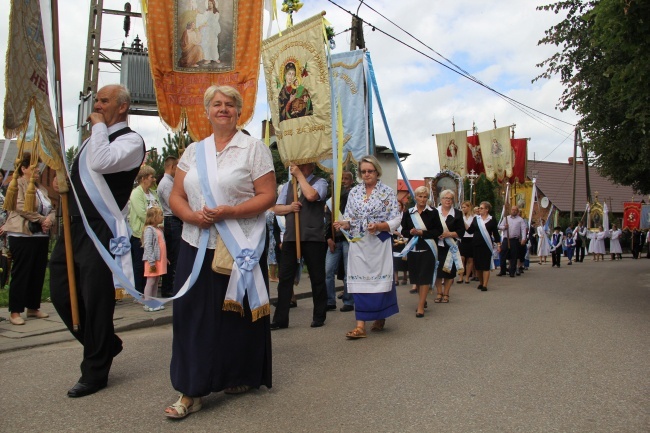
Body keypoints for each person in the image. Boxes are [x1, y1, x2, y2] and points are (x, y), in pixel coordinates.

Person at [164, 85, 275, 418]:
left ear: (238, 112)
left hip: (239, 242)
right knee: (190, 315)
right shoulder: (193, 151)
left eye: (229, 104)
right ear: (207, 111)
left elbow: (267, 195)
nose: (223, 109)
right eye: (216, 104)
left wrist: (230, 212)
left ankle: (238, 373)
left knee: (236, 314)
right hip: (195, 242)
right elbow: (176, 195)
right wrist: (190, 216)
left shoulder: (253, 148)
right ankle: (190, 390)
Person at [50, 84, 146, 398]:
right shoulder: (95, 138)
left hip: (100, 228)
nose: (97, 105)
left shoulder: (130, 140)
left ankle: (95, 370)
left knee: (94, 300)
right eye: (97, 100)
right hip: (74, 226)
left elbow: (102, 163)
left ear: (122, 107)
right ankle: (106, 345)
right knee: (62, 293)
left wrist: (99, 127)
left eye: (104, 100)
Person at [334, 155, 401, 339]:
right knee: (358, 282)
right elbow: (349, 218)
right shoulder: (354, 193)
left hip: (379, 243)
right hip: (359, 243)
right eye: (363, 171)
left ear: (377, 171)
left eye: (370, 171)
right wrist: (343, 224)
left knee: (380, 281)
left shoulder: (387, 192)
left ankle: (380, 316)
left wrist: (379, 226)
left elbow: (396, 218)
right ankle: (360, 325)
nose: (366, 174)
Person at [271, 162, 328, 329]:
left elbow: (311, 196)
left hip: (312, 237)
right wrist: (290, 207)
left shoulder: (320, 182)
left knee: (317, 277)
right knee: (285, 278)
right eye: (297, 166)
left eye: (303, 165)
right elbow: (277, 208)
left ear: (311, 166)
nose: (299, 168)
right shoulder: (289, 185)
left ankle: (319, 315)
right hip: (290, 237)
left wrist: (299, 176)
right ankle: (280, 319)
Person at [3, 154, 55, 325]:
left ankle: (33, 307)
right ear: (24, 169)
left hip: (40, 235)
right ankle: (15, 311)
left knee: (37, 271)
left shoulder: (43, 189)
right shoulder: (16, 184)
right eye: (34, 168)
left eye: (39, 168)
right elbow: (19, 206)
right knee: (22, 272)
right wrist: (41, 219)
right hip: (22, 233)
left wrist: (49, 219)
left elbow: (51, 209)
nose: (38, 171)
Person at [400, 186, 442, 317]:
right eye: (420, 196)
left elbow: (438, 231)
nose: (423, 199)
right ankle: (422, 300)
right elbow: (403, 231)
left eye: (425, 197)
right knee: (417, 277)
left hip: (428, 248)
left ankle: (420, 307)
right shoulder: (409, 213)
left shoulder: (433, 212)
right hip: (413, 248)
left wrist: (422, 232)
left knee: (424, 277)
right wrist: (411, 232)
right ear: (415, 197)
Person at [325, 170, 354, 312]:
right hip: (335, 239)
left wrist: (335, 183)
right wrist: (328, 238)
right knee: (328, 270)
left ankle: (349, 301)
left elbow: (344, 194)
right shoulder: (332, 199)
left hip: (348, 239)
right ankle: (330, 300)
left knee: (349, 271)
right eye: (341, 179)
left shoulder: (352, 195)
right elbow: (327, 219)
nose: (343, 181)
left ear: (351, 181)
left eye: (346, 179)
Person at [128, 165, 160, 294]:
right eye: (152, 177)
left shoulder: (153, 193)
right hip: (140, 235)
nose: (154, 179)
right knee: (140, 265)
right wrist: (156, 223)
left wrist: (159, 223)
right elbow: (142, 214)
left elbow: (160, 209)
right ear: (144, 178)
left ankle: (151, 292)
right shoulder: (136, 193)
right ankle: (139, 292)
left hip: (155, 234)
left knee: (153, 263)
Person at [432, 190, 464, 303]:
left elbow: (461, 231)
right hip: (437, 246)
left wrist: (449, 234)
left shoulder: (457, 213)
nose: (448, 200)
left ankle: (446, 293)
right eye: (446, 198)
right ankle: (439, 292)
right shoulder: (434, 212)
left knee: (449, 272)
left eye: (450, 198)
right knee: (438, 271)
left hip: (451, 247)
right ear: (441, 199)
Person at [157, 156, 182, 298]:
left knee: (175, 255)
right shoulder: (166, 184)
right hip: (172, 220)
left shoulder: (169, 182)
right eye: (177, 167)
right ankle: (168, 288)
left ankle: (171, 285)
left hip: (173, 220)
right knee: (173, 256)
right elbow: (173, 205)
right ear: (172, 167)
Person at [465, 201, 501, 291]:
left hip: (486, 245)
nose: (479, 209)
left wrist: (499, 244)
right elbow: (470, 231)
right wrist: (463, 223)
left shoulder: (492, 219)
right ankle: (481, 282)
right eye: (479, 208)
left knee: (485, 265)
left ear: (487, 209)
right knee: (478, 266)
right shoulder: (476, 219)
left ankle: (485, 285)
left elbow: (496, 233)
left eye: (481, 208)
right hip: (476, 245)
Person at [142, 206, 166, 311]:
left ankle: (154, 301)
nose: (163, 217)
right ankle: (147, 303)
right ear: (154, 217)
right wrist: (151, 262)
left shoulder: (158, 229)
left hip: (159, 260)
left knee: (156, 281)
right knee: (150, 281)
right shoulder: (149, 230)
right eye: (160, 215)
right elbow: (148, 246)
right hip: (152, 261)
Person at [498, 205, 527, 277]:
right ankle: (503, 270)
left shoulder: (520, 220)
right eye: (512, 210)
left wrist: (523, 238)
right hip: (506, 239)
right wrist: (505, 227)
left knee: (513, 256)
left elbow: (523, 230)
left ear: (517, 211)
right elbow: (499, 226)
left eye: (515, 210)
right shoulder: (506, 218)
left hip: (514, 240)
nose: (513, 211)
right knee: (502, 254)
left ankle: (512, 271)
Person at [195, 0, 221, 65]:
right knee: (206, 44)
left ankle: (215, 58)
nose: (209, 5)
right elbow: (203, 19)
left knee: (213, 44)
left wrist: (208, 24)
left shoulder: (216, 13)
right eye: (208, 4)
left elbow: (215, 21)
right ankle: (207, 58)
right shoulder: (206, 12)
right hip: (206, 30)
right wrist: (198, 14)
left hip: (212, 30)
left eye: (211, 4)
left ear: (214, 4)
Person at [458, 200, 475, 284]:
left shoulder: (474, 217)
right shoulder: (460, 216)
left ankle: (467, 277)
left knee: (470, 259)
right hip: (463, 239)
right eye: (462, 207)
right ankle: (461, 276)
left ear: (469, 207)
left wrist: (463, 222)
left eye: (464, 207)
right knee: (461, 258)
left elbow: (470, 229)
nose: (463, 209)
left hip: (471, 238)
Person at [266, 208, 279, 282]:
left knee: (271, 253)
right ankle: (273, 276)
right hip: (274, 234)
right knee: (273, 255)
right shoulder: (273, 212)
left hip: (269, 233)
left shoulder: (266, 211)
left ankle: (272, 275)